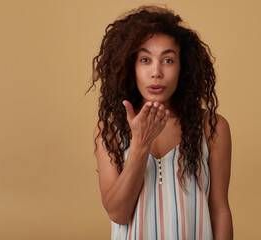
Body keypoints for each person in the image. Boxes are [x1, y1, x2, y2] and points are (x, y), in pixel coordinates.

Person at [87, 5, 233, 240]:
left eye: (167, 60)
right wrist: (140, 145)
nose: (156, 72)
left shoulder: (212, 127)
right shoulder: (109, 131)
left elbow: (219, 210)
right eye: (145, 59)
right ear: (130, 67)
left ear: (182, 67)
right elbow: (118, 213)